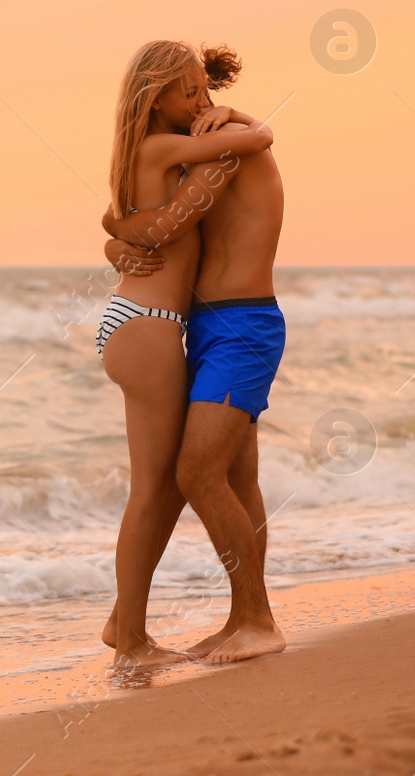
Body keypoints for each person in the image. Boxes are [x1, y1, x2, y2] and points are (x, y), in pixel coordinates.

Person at [101, 43, 288, 665]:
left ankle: (254, 620)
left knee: (195, 473)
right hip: (197, 328)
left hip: (240, 326)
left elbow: (260, 138)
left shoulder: (230, 138)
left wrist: (237, 114)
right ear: (160, 98)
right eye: (190, 94)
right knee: (231, 476)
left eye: (203, 91)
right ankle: (239, 621)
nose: (200, 103)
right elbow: (129, 214)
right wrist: (120, 238)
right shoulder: (185, 153)